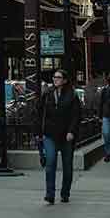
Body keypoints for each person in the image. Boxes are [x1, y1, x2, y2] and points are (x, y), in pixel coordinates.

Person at [38, 69, 82, 204]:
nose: (55, 79)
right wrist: (38, 133)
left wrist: (71, 131)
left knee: (67, 166)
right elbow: (40, 113)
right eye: (54, 77)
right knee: (50, 163)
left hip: (66, 136)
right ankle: (49, 193)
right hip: (50, 134)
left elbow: (76, 115)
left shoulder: (72, 95)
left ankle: (65, 193)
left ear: (65, 80)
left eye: (58, 77)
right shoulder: (47, 94)